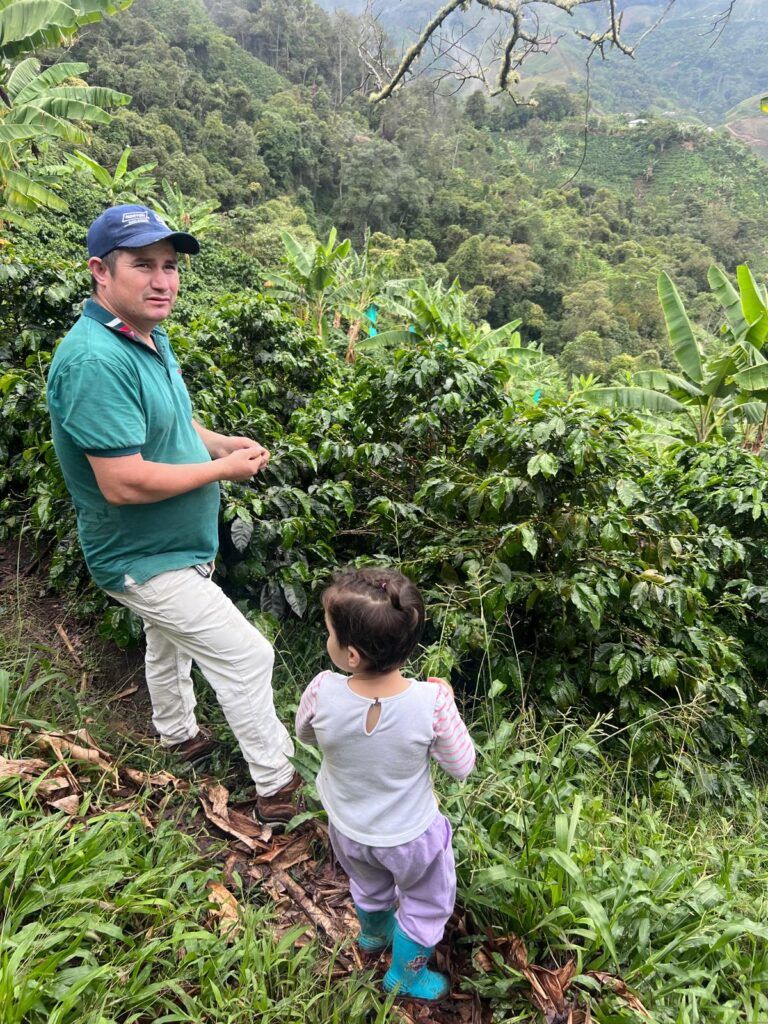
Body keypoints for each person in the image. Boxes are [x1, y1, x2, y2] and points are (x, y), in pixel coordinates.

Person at [46, 204, 301, 825]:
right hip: (140, 557)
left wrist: (219, 444)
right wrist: (222, 472)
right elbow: (124, 482)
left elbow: (173, 425)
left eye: (169, 266)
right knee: (246, 656)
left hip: (175, 547)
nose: (162, 280)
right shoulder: (95, 362)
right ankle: (278, 788)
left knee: (170, 645)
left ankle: (175, 733)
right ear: (100, 272)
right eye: (143, 265)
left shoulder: (143, 337)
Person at [295, 567, 476, 1001]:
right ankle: (405, 975)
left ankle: (374, 937)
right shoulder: (431, 702)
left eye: (329, 633)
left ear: (352, 655)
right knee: (426, 904)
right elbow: (461, 766)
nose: (328, 640)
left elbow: (305, 733)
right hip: (412, 837)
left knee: (371, 885)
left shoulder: (321, 689)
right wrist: (448, 703)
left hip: (349, 829)